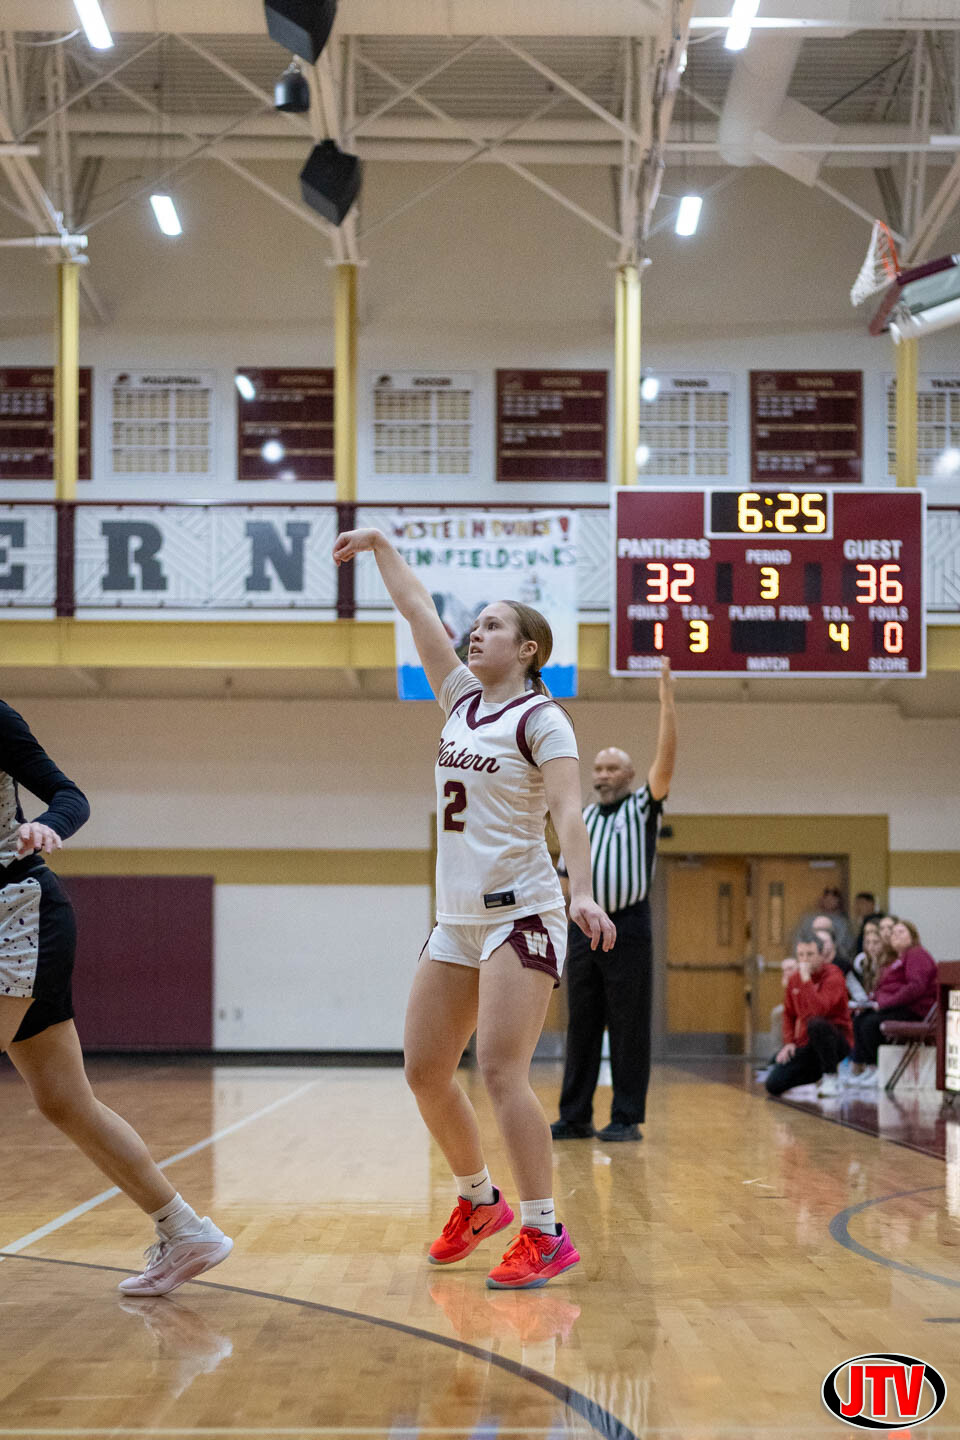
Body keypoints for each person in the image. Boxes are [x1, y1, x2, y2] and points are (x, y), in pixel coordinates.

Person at [332, 527, 616, 1290]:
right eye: (477, 624)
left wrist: (582, 892)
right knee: (425, 1071)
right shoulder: (459, 699)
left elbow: (569, 810)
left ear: (527, 649)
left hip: (522, 912)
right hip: (456, 918)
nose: (475, 632)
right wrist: (381, 546)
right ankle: (479, 1200)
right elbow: (418, 610)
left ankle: (545, 1232)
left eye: (492, 625)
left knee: (498, 1070)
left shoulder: (542, 719)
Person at [0, 699, 232, 1296]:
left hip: (18, 916)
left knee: (65, 1101)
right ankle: (187, 1232)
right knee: (65, 1103)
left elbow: (69, 795)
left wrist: (48, 824)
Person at [551, 658, 676, 1143]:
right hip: (583, 930)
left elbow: (665, 763)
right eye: (598, 768)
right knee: (581, 1023)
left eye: (611, 768)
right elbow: (564, 878)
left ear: (628, 774)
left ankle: (625, 1117)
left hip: (628, 925)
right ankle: (575, 1115)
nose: (602, 775)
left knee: (628, 1024)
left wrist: (667, 703)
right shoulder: (580, 816)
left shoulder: (644, 805)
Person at [849, 919, 938, 1088]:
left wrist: (885, 1003)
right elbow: (885, 988)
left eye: (901, 932)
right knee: (860, 1018)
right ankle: (870, 1066)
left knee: (871, 1023)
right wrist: (870, 1002)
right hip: (895, 1006)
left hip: (914, 1009)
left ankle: (879, 1068)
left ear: (912, 936)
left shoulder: (917, 954)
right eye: (893, 933)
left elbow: (915, 987)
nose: (896, 935)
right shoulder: (896, 959)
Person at [764, 934, 853, 1099]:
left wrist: (806, 981)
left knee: (816, 1024)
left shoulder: (834, 976)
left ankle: (831, 1077)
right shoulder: (794, 979)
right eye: (801, 955)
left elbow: (819, 1010)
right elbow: (789, 1013)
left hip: (836, 1042)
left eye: (810, 954)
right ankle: (816, 1080)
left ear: (821, 956)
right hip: (807, 1044)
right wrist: (789, 1042)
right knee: (773, 1084)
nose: (805, 960)